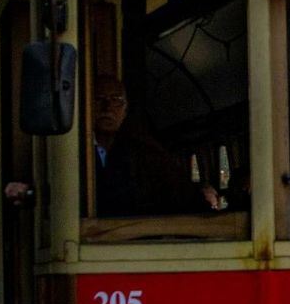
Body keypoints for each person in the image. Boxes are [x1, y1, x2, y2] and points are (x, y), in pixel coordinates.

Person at [89, 76, 210, 217]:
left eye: (116, 100)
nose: (107, 107)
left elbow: (182, 194)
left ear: (125, 110)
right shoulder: (71, 153)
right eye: (98, 99)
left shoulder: (145, 151)